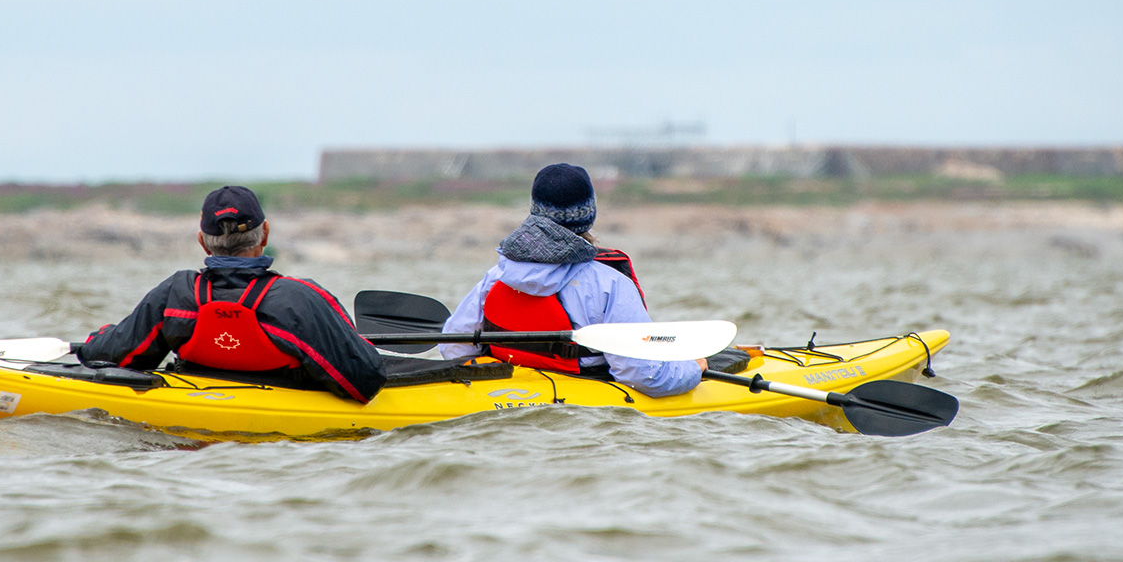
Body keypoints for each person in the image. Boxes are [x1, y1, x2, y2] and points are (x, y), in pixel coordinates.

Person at [77, 185, 385, 404]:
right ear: (264, 234)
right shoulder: (299, 299)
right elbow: (367, 378)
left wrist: (91, 342)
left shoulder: (176, 293)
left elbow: (106, 356)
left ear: (202, 241)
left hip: (193, 431)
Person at [437, 164, 704, 396]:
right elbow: (642, 376)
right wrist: (693, 367)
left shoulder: (497, 275)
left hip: (510, 387)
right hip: (583, 396)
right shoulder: (610, 284)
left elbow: (454, 348)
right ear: (588, 214)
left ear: (535, 213)